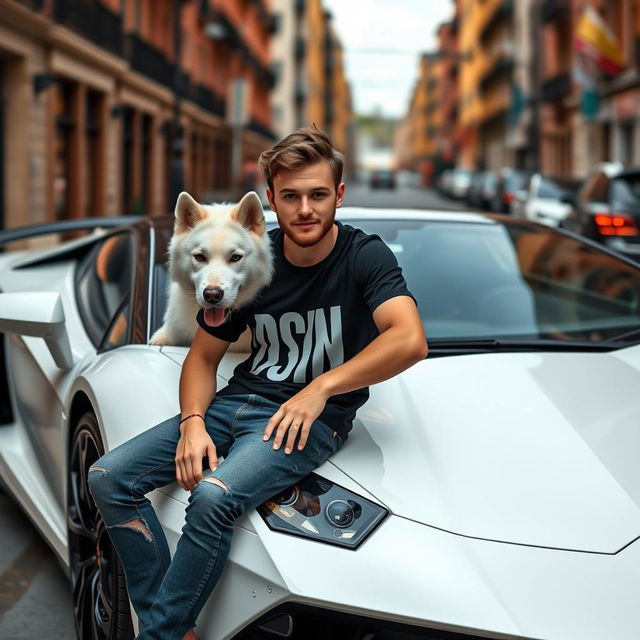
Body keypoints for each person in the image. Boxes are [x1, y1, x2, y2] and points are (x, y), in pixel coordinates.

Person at [87, 126, 428, 640]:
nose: (305, 209)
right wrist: (193, 424)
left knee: (211, 498)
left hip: (309, 423)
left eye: (317, 195)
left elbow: (408, 340)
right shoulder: (250, 259)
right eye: (290, 197)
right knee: (109, 478)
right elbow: (202, 360)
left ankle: (157, 633)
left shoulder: (364, 256)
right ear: (271, 200)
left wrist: (319, 390)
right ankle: (173, 627)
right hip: (236, 403)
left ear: (338, 195)